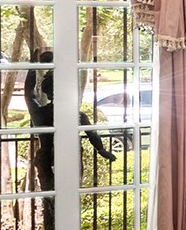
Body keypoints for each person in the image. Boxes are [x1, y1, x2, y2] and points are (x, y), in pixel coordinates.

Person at [24, 49, 127, 193]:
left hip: (53, 160)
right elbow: (92, 134)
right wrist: (101, 149)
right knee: (66, 197)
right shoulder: (74, 115)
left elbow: (28, 93)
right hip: (61, 161)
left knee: (53, 201)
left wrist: (33, 65)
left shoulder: (41, 113)